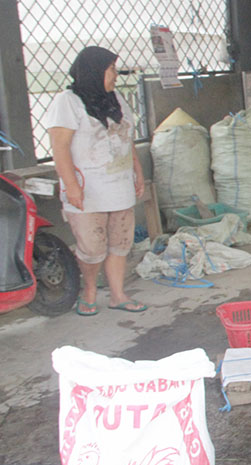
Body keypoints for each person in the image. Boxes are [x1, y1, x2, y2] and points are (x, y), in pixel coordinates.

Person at [42, 46, 146, 316]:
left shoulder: (116, 100)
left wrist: (137, 170)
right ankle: (89, 292)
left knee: (120, 243)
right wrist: (72, 186)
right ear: (93, 71)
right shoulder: (68, 102)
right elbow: (60, 148)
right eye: (110, 68)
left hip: (119, 185)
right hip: (88, 190)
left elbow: (126, 139)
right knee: (92, 247)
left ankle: (118, 294)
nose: (114, 74)